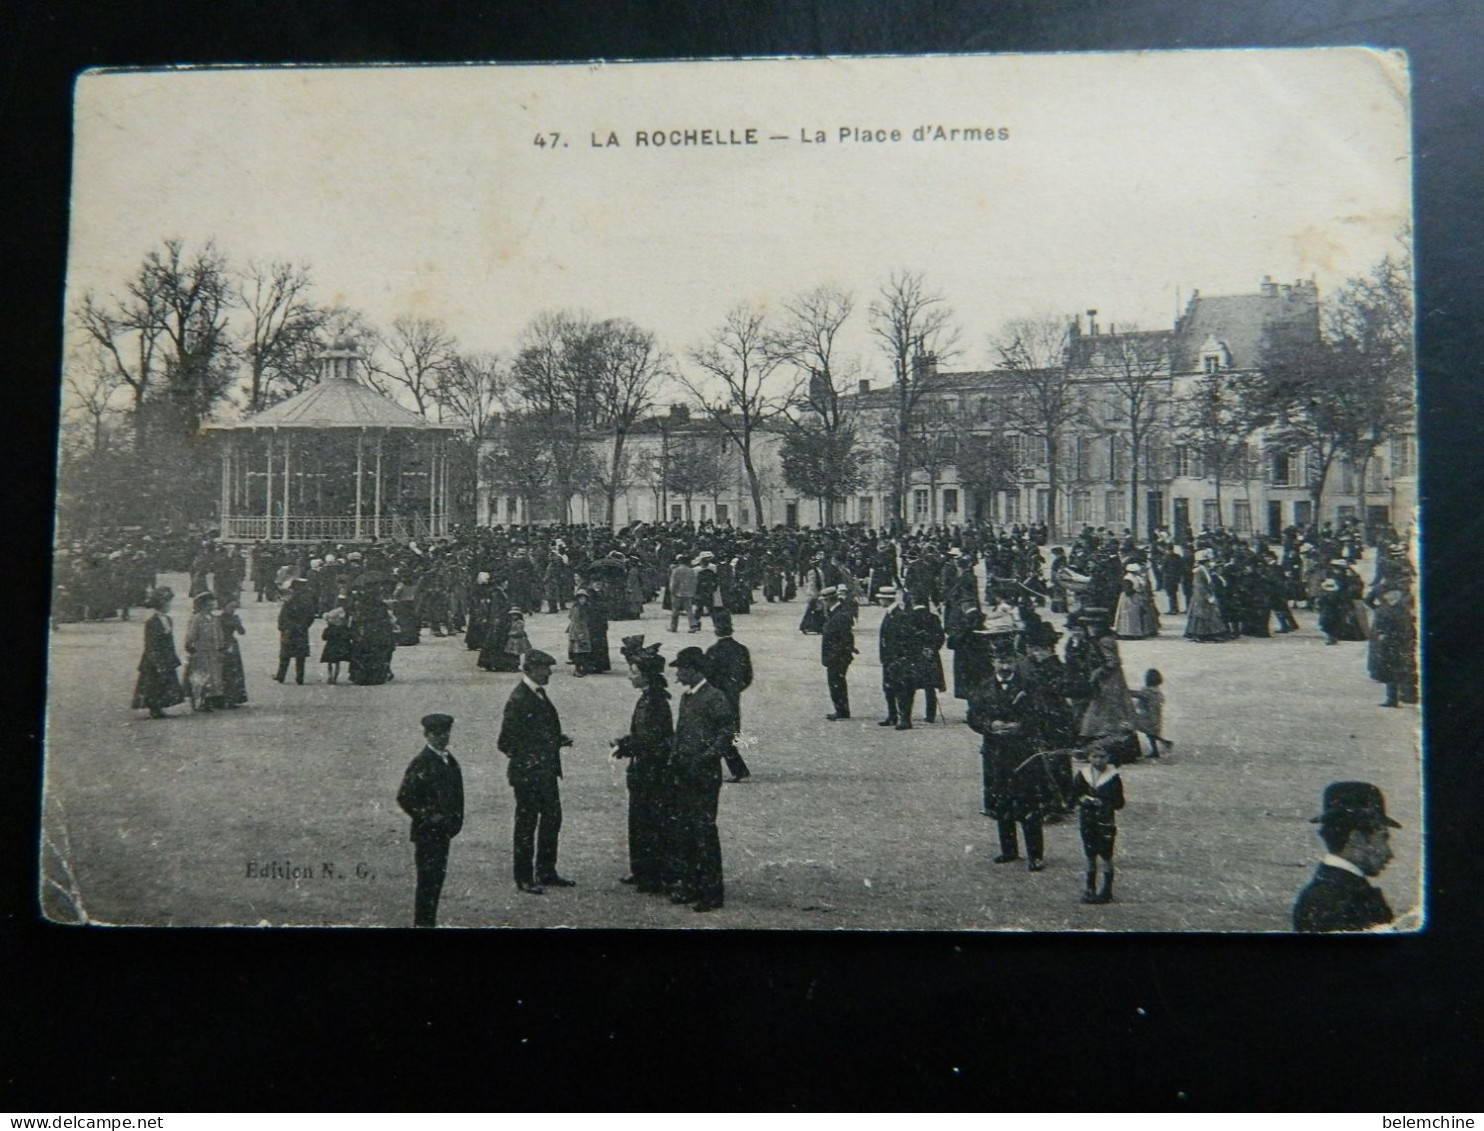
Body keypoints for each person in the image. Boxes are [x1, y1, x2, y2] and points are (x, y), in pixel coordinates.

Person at [968, 643, 1056, 871]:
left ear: (1016, 662)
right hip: (995, 753)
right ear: (993, 662)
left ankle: (1035, 855)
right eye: (1000, 661)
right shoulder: (984, 687)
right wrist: (990, 725)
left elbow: (1042, 714)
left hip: (1023, 753)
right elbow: (973, 716)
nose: (1005, 666)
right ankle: (1009, 850)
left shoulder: (1029, 686)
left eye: (1009, 661)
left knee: (1029, 803)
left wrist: (1021, 726)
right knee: (1001, 800)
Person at [497, 649, 575, 894]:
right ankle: (524, 877)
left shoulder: (537, 694)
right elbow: (505, 742)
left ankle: (546, 870)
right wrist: (535, 755)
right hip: (529, 775)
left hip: (546, 772)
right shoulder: (519, 699)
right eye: (545, 668)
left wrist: (555, 739)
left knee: (552, 820)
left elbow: (537, 731)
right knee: (527, 825)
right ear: (531, 669)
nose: (550, 672)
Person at [669, 645, 736, 912]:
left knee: (704, 833)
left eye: (682, 670)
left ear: (694, 671)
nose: (678, 675)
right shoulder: (688, 697)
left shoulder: (715, 697)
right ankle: (690, 885)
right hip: (685, 772)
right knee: (685, 831)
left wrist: (707, 757)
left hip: (704, 775)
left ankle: (711, 893)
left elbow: (726, 733)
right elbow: (680, 732)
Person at [1293, 781, 1399, 932]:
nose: (1389, 853)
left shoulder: (1324, 893)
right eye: (1383, 838)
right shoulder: (1344, 897)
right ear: (1357, 839)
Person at [612, 641, 675, 894]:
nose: (630, 676)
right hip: (644, 769)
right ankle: (642, 871)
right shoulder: (650, 698)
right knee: (640, 821)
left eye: (633, 672)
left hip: (652, 771)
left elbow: (651, 741)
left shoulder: (654, 701)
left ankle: (652, 875)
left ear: (646, 675)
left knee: (649, 822)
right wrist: (626, 743)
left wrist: (626, 747)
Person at [396, 713, 464, 927]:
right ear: (427, 735)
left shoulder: (449, 760)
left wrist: (454, 821)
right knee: (427, 881)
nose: (443, 737)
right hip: (427, 833)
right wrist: (428, 816)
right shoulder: (422, 762)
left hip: (443, 832)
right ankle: (423, 923)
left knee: (436, 879)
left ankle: (428, 921)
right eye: (437, 734)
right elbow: (404, 797)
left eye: (446, 733)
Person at [1071, 738, 1125, 904]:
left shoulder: (1113, 777)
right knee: (1090, 855)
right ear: (1089, 758)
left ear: (1108, 758)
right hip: (1087, 818)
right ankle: (1090, 887)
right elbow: (1074, 795)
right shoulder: (1083, 775)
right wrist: (1082, 799)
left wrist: (1104, 803)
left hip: (1105, 820)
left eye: (1102, 757)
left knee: (1106, 855)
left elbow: (1120, 802)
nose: (1098, 760)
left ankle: (1107, 890)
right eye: (1095, 756)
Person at [704, 609, 753, 782]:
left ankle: (737, 769)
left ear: (716, 630)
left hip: (717, 697)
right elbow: (748, 676)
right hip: (733, 696)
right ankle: (736, 768)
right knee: (728, 731)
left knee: (717, 732)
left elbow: (707, 676)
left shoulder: (712, 651)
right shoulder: (741, 650)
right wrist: (736, 689)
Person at [131, 587, 186, 719]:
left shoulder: (168, 620)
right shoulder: (152, 622)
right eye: (167, 603)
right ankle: (154, 708)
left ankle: (160, 706)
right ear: (160, 605)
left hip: (166, 655)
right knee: (153, 682)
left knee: (164, 682)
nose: (169, 606)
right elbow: (150, 644)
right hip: (155, 656)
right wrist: (155, 659)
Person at [1368, 587, 1418, 707]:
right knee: (1389, 669)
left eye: (1393, 594)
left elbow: (1407, 628)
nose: (1390, 596)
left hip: (1397, 643)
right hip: (1386, 644)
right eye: (1388, 594)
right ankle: (1392, 698)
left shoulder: (1401, 610)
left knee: (1397, 670)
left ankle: (1400, 697)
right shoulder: (1384, 608)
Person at [183, 591, 226, 711]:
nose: (212, 605)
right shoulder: (197, 619)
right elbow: (191, 635)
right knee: (201, 677)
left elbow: (219, 634)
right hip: (201, 652)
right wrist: (189, 645)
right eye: (209, 603)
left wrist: (220, 647)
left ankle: (209, 700)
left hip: (213, 652)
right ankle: (200, 701)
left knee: (214, 677)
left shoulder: (214, 619)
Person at [821, 587, 857, 720]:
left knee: (836, 683)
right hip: (837, 655)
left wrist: (834, 656)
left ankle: (841, 710)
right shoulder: (837, 611)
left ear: (828, 600)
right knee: (837, 682)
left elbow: (845, 638)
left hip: (837, 656)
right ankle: (841, 709)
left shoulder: (839, 614)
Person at [274, 578, 317, 685]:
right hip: (301, 630)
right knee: (300, 656)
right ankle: (299, 678)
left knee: (285, 655)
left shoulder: (290, 600)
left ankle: (281, 676)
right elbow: (311, 616)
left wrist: (282, 627)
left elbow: (283, 616)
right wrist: (304, 626)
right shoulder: (307, 600)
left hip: (289, 630)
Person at [1129, 668, 1169, 757]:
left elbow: (1137, 694)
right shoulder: (1157, 691)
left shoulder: (1148, 691)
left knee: (1145, 730)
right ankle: (1156, 750)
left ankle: (1164, 742)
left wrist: (1126, 690)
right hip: (1155, 716)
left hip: (1147, 717)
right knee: (1151, 734)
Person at [217, 599, 248, 708]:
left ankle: (234, 698)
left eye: (234, 607)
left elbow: (242, 632)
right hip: (223, 645)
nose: (233, 610)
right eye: (231, 607)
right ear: (224, 607)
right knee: (225, 672)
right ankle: (224, 698)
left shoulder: (234, 618)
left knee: (234, 672)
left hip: (232, 645)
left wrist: (238, 624)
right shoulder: (218, 619)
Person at [319, 606, 352, 684]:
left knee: (330, 663)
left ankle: (330, 676)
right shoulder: (343, 628)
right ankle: (335, 677)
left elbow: (324, 637)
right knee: (337, 663)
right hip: (339, 648)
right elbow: (348, 636)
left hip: (330, 647)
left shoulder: (329, 629)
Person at [667, 554, 697, 633]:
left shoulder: (676, 570)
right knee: (689, 610)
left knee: (675, 611)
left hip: (677, 593)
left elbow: (673, 582)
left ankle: (673, 627)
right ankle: (693, 625)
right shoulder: (691, 570)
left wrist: (672, 591)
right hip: (688, 593)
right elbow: (694, 582)